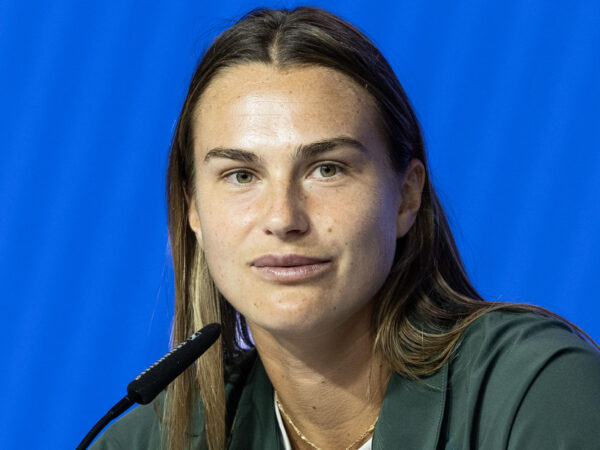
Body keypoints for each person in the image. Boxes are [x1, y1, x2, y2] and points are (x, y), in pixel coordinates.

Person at [91, 6, 600, 450]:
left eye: (327, 169)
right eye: (241, 175)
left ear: (407, 196)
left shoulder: (537, 392)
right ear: (192, 210)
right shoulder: (153, 439)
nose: (283, 219)